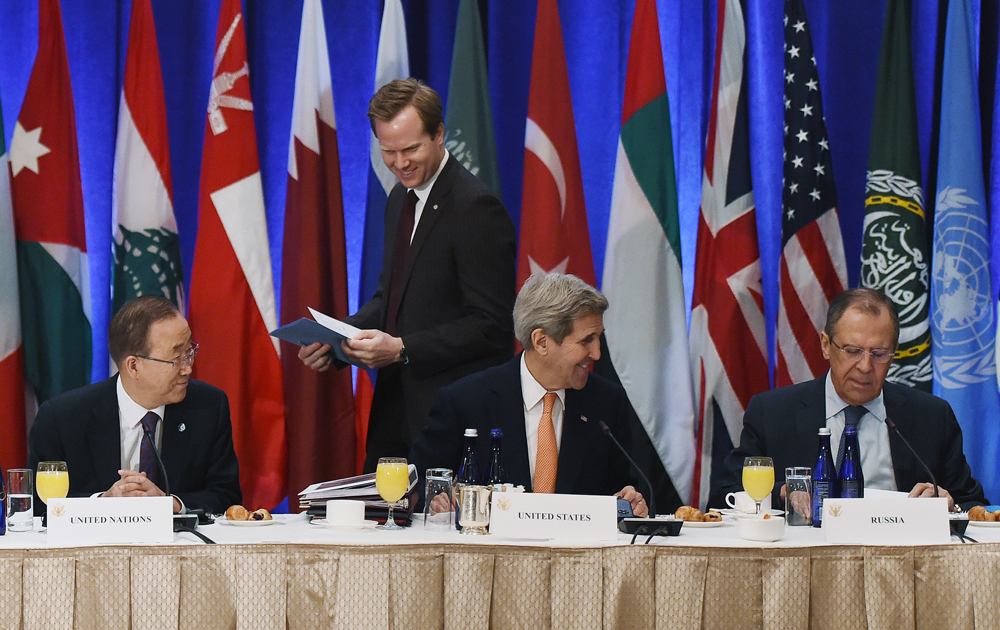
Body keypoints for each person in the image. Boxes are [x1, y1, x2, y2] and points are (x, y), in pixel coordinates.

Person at [299, 78, 516, 471]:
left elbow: (492, 326)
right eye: (389, 151)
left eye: (411, 149)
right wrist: (337, 339)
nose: (400, 164)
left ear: (438, 134)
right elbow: (391, 298)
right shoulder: (400, 197)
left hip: (452, 416)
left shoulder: (475, 207)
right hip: (395, 408)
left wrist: (402, 348)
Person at [708, 288, 988, 512]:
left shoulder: (931, 416)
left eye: (879, 354)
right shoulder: (772, 413)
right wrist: (783, 492)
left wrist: (948, 505)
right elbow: (724, 499)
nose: (865, 367)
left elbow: (974, 505)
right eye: (853, 351)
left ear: (894, 353)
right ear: (826, 346)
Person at [410, 273, 648, 517]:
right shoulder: (466, 400)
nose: (597, 353)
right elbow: (417, 488)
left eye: (598, 338)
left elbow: (622, 489)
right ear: (541, 342)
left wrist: (630, 501)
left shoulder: (607, 402)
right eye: (586, 341)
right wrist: (437, 500)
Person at [27, 296, 241, 515]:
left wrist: (170, 504)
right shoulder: (63, 419)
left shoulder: (208, 407)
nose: (188, 368)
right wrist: (101, 503)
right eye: (176, 358)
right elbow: (39, 506)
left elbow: (226, 496)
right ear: (134, 366)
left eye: (189, 352)